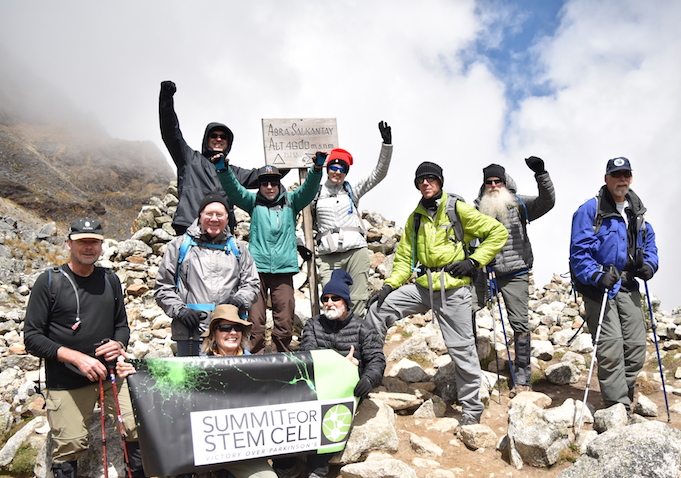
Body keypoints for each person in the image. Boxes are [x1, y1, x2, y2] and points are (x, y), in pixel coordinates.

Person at [23, 218, 169, 478]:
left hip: (112, 372)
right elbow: (32, 337)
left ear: (101, 245)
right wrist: (74, 357)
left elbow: (122, 325)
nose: (88, 247)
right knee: (70, 444)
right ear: (69, 244)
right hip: (67, 378)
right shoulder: (48, 282)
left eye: (94, 241)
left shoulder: (110, 280)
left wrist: (118, 344)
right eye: (82, 241)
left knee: (133, 427)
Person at [116, 305, 284, 478]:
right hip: (200, 448)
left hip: (242, 450)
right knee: (160, 447)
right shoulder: (191, 368)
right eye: (225, 327)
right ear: (214, 334)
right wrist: (135, 372)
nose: (232, 332)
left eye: (237, 327)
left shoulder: (259, 366)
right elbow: (159, 388)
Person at [367, 162, 508, 426]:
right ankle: (371, 371)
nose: (426, 183)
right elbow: (404, 258)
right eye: (421, 180)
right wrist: (389, 286)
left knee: (462, 349)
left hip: (454, 289)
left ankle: (471, 408)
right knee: (378, 309)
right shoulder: (416, 217)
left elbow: (497, 232)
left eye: (431, 179)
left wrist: (474, 261)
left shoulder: (457, 209)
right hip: (423, 286)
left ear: (440, 182)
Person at [272, 269, 386, 478]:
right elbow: (308, 354)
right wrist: (340, 362)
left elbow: (377, 360)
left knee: (332, 412)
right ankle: (286, 464)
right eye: (325, 299)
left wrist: (367, 378)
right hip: (316, 384)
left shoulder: (364, 328)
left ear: (346, 301)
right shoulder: (313, 325)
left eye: (335, 299)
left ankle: (318, 469)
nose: (329, 303)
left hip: (347, 391)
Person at [569, 156, 659, 411]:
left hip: (629, 285)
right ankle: (616, 405)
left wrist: (649, 266)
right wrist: (596, 275)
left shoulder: (636, 211)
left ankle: (625, 395)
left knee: (636, 346)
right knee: (610, 347)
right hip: (599, 288)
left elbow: (649, 242)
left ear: (631, 177)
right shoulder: (590, 209)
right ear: (606, 178)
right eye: (616, 175)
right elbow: (579, 252)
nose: (622, 180)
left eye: (626, 175)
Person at [214, 153, 325, 353]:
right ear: (260, 186)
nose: (269, 187)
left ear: (279, 183)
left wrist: (317, 169)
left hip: (283, 270)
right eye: (265, 183)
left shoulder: (292, 201)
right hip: (256, 271)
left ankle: (279, 358)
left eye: (273, 182)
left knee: (285, 319)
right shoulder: (252, 202)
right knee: (255, 321)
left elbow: (309, 190)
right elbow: (233, 189)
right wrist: (223, 169)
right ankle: (253, 359)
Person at [473, 157, 555, 389]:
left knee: (520, 324)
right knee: (467, 308)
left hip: (515, 273)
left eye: (498, 181)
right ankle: (471, 367)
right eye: (489, 182)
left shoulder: (519, 204)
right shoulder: (476, 208)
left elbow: (547, 202)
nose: (494, 185)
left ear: (505, 182)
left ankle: (522, 377)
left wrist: (542, 174)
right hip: (484, 272)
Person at [154, 191, 259, 358]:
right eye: (209, 214)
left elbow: (252, 284)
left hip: (229, 331)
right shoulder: (180, 246)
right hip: (191, 333)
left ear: (227, 218)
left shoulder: (238, 249)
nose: (214, 218)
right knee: (192, 382)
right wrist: (180, 311)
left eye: (220, 214)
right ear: (200, 216)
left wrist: (239, 300)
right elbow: (162, 287)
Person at [311, 122, 393, 317]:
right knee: (331, 300)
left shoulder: (351, 190)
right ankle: (333, 341)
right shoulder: (315, 193)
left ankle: (355, 341)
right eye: (334, 167)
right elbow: (301, 221)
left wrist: (386, 145)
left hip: (356, 251)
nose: (338, 172)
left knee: (356, 300)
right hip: (328, 254)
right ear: (327, 168)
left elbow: (378, 174)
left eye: (342, 168)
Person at [159, 80, 262, 235]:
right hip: (190, 229)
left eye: (223, 137)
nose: (218, 139)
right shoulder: (189, 159)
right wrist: (166, 98)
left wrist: (290, 161)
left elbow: (263, 176)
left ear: (229, 143)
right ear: (206, 139)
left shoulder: (234, 172)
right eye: (214, 135)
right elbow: (170, 133)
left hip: (222, 234)